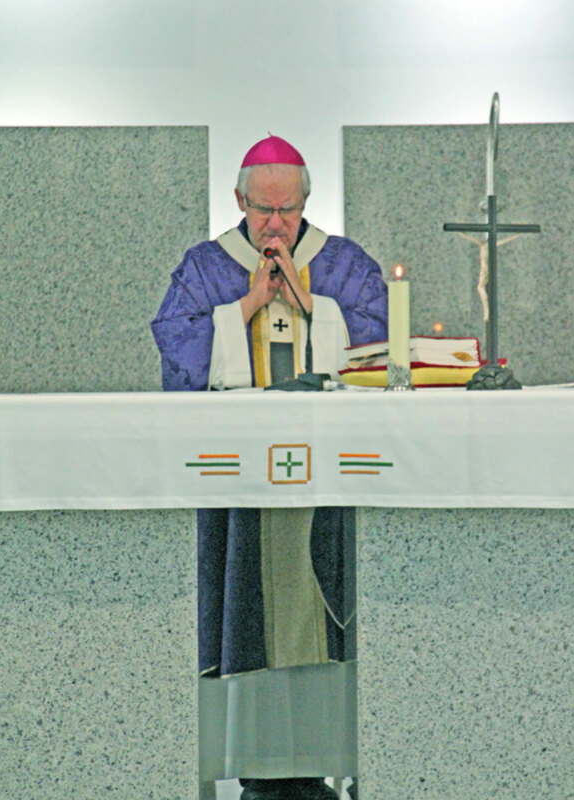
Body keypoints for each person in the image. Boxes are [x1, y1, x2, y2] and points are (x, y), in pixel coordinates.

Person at [151, 135, 388, 800]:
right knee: (245, 616)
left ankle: (326, 760)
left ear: (307, 202)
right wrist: (248, 307)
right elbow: (177, 355)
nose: (275, 225)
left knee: (319, 616)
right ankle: (253, 766)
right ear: (239, 202)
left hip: (329, 483)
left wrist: (316, 307)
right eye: (262, 211)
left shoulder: (342, 266)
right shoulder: (205, 269)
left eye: (286, 210)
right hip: (238, 491)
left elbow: (380, 350)